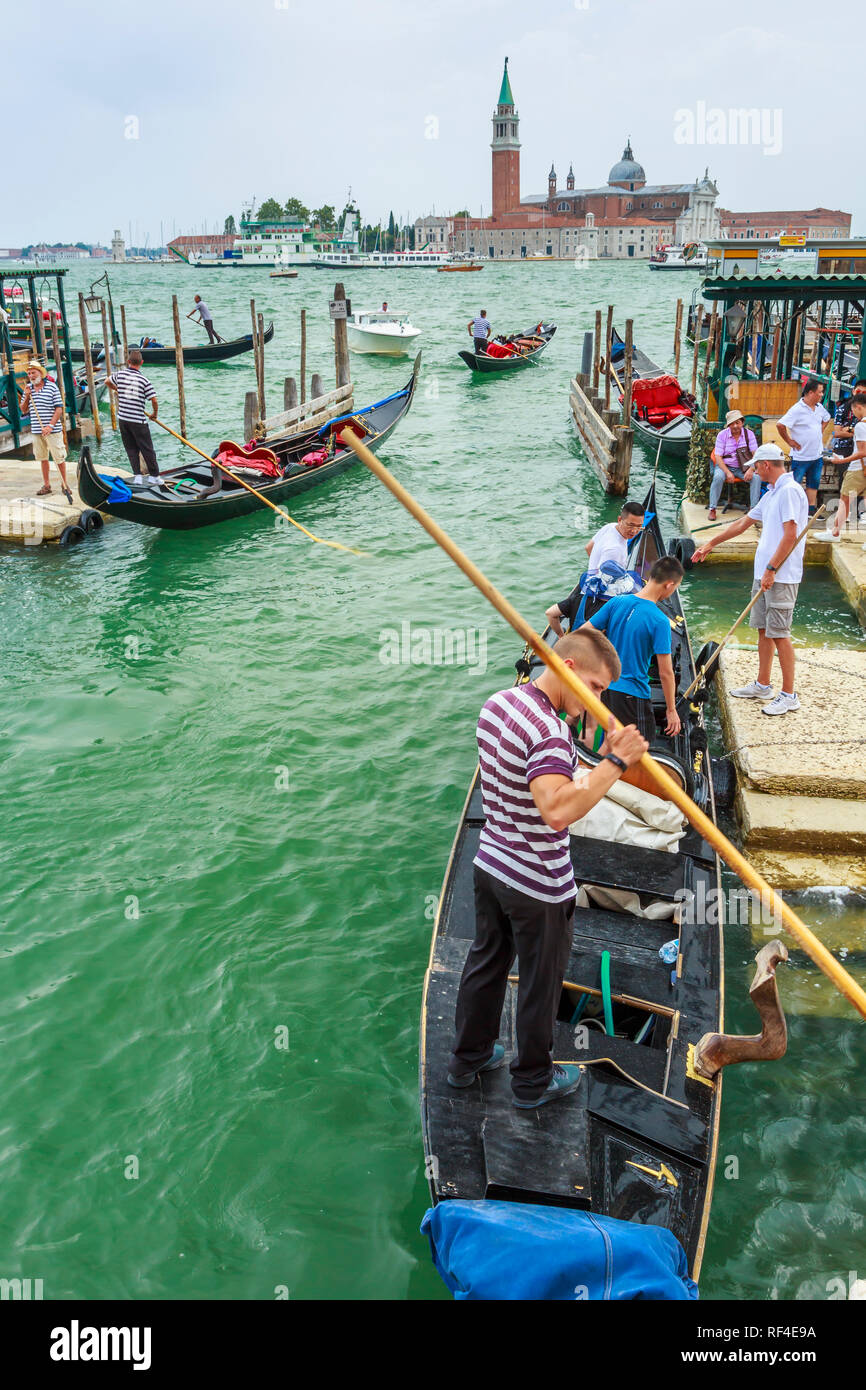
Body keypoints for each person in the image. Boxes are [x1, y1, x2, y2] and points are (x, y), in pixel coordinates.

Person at [447, 629, 648, 1108]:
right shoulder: (551, 733)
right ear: (570, 669)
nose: (601, 701)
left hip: (491, 862)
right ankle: (533, 1082)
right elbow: (557, 810)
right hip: (538, 883)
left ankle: (467, 1058)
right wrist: (615, 762)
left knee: (486, 963)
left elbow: (519, 778)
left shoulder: (498, 703)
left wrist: (587, 767)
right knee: (541, 984)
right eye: (597, 688)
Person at [692, 443, 808, 716]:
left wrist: (771, 568)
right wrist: (712, 543)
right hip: (765, 573)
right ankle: (763, 684)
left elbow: (791, 534)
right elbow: (743, 523)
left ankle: (789, 694)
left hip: (780, 575)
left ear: (766, 465)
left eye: (756, 466)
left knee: (780, 633)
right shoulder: (772, 492)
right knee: (763, 630)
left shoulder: (790, 491)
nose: (754, 470)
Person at [583, 555, 685, 741]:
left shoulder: (616, 602)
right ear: (670, 585)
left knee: (611, 739)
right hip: (633, 695)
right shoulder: (660, 620)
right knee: (640, 749)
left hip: (607, 687)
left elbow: (583, 633)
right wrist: (671, 710)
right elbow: (666, 673)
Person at [545, 501, 646, 637]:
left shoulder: (610, 527)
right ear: (620, 520)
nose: (634, 531)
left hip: (589, 585)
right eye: (630, 525)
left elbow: (589, 547)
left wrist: (594, 568)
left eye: (639, 527)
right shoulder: (614, 550)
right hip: (604, 595)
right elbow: (607, 579)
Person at [19, 360, 73, 503]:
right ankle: (47, 485)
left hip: (53, 430)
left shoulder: (51, 387)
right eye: (29, 373)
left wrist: (50, 425)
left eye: (33, 372)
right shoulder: (28, 389)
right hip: (37, 430)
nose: (31, 375)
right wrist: (26, 396)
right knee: (43, 458)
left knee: (58, 457)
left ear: (40, 373)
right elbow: (23, 410)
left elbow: (59, 409)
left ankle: (64, 484)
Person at [776, 379, 831, 514]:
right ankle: (791, 510)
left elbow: (827, 418)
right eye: (820, 392)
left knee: (813, 483)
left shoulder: (819, 407)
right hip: (801, 456)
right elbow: (780, 425)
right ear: (810, 393)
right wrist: (789, 441)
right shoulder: (797, 409)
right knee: (795, 484)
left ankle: (810, 510)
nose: (821, 395)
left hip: (817, 454)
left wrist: (820, 431)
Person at [106, 348, 160, 485]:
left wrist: (118, 389)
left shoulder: (120, 375)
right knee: (147, 448)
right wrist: (154, 414)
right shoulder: (144, 380)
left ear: (128, 362)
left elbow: (107, 381)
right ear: (141, 362)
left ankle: (137, 476)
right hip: (138, 420)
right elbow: (153, 400)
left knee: (131, 448)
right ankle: (154, 476)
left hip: (123, 419)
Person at [707, 409, 760, 519]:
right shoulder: (722, 435)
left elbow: (756, 454)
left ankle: (754, 510)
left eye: (738, 422)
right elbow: (718, 457)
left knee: (756, 478)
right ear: (728, 425)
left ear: (742, 422)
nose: (735, 426)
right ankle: (712, 508)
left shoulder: (749, 434)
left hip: (743, 467)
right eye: (732, 423)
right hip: (724, 466)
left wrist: (751, 469)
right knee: (718, 477)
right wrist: (727, 472)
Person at [828, 395, 866, 538]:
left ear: (858, 407)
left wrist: (842, 461)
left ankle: (835, 533)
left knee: (844, 500)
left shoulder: (861, 425)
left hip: (857, 469)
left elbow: (862, 452)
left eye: (853, 411)